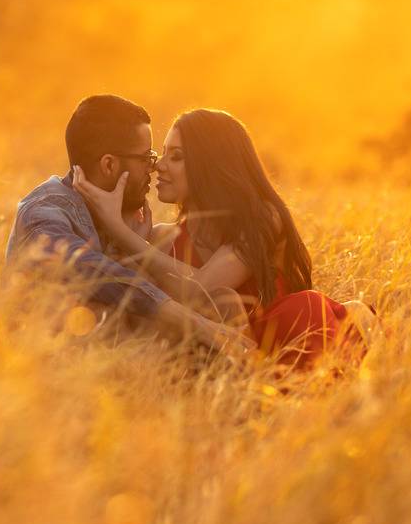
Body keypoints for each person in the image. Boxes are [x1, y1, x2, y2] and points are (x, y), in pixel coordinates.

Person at [72, 108, 382, 370]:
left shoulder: (261, 217)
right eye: (161, 155)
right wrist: (132, 241)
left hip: (289, 336)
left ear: (211, 163)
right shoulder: (160, 239)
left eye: (176, 157)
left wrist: (122, 233)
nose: (158, 166)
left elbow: (206, 286)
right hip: (219, 356)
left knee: (307, 307)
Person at [6, 95, 251, 355]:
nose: (154, 168)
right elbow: (87, 270)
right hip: (52, 358)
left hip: (127, 349)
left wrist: (136, 252)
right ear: (109, 164)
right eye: (146, 158)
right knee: (101, 313)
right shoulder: (44, 211)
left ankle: (240, 385)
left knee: (222, 301)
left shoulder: (121, 210)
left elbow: (135, 299)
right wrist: (193, 322)